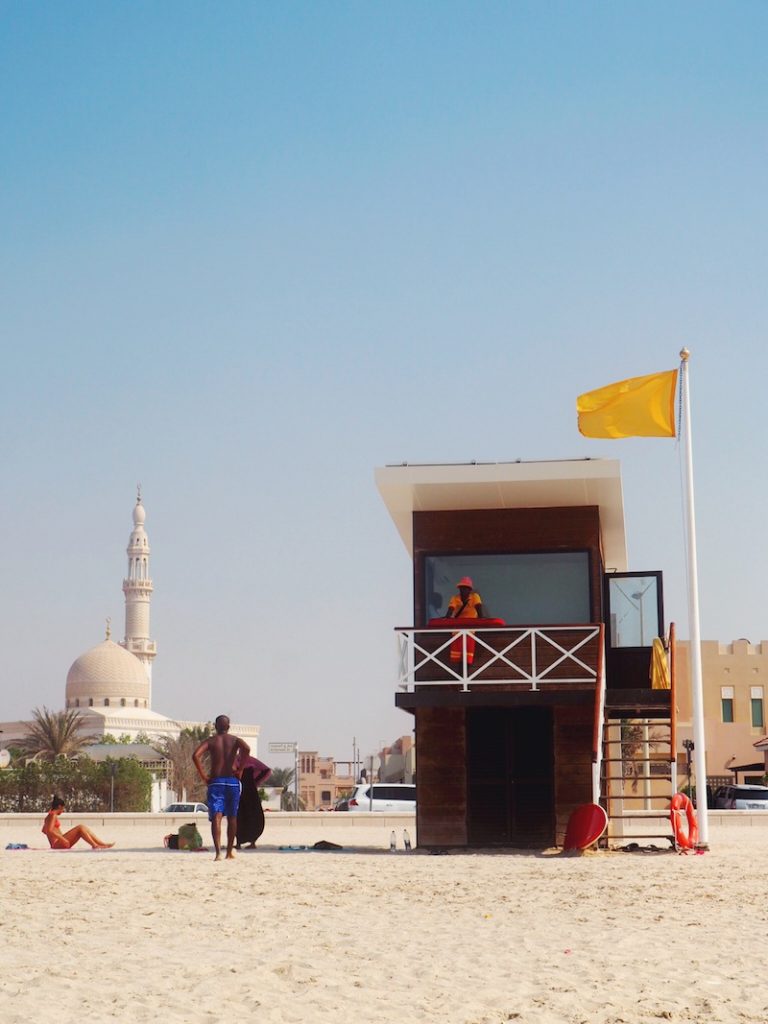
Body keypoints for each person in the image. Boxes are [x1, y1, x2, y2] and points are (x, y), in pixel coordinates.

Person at [193, 714, 250, 860]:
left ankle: (218, 852)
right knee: (232, 817)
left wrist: (204, 776)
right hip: (232, 781)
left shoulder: (211, 741)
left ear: (215, 726)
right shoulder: (235, 740)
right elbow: (247, 749)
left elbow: (195, 755)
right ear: (229, 726)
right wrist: (240, 769)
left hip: (216, 781)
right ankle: (229, 851)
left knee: (217, 816)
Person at [42, 796, 114, 850]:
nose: (63, 811)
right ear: (59, 806)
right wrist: (62, 839)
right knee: (80, 827)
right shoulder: (53, 815)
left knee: (83, 828)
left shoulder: (49, 815)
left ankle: (100, 844)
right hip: (57, 844)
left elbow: (44, 830)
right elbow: (50, 831)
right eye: (63, 809)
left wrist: (58, 835)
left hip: (58, 843)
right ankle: (95, 845)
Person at [444, 577, 485, 667]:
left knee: (468, 649)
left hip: (471, 625)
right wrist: (447, 618)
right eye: (461, 588)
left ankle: (465, 668)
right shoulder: (455, 598)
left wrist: (482, 622)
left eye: (465, 588)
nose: (463, 590)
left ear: (469, 589)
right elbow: (450, 611)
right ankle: (459, 669)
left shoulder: (475, 597)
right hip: (458, 625)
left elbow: (480, 612)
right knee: (457, 649)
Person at [235, 756, 271, 849]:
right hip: (240, 791)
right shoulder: (234, 759)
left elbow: (266, 770)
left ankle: (252, 842)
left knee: (254, 816)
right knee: (239, 816)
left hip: (250, 791)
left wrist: (256, 781)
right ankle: (238, 842)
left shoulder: (250, 760)